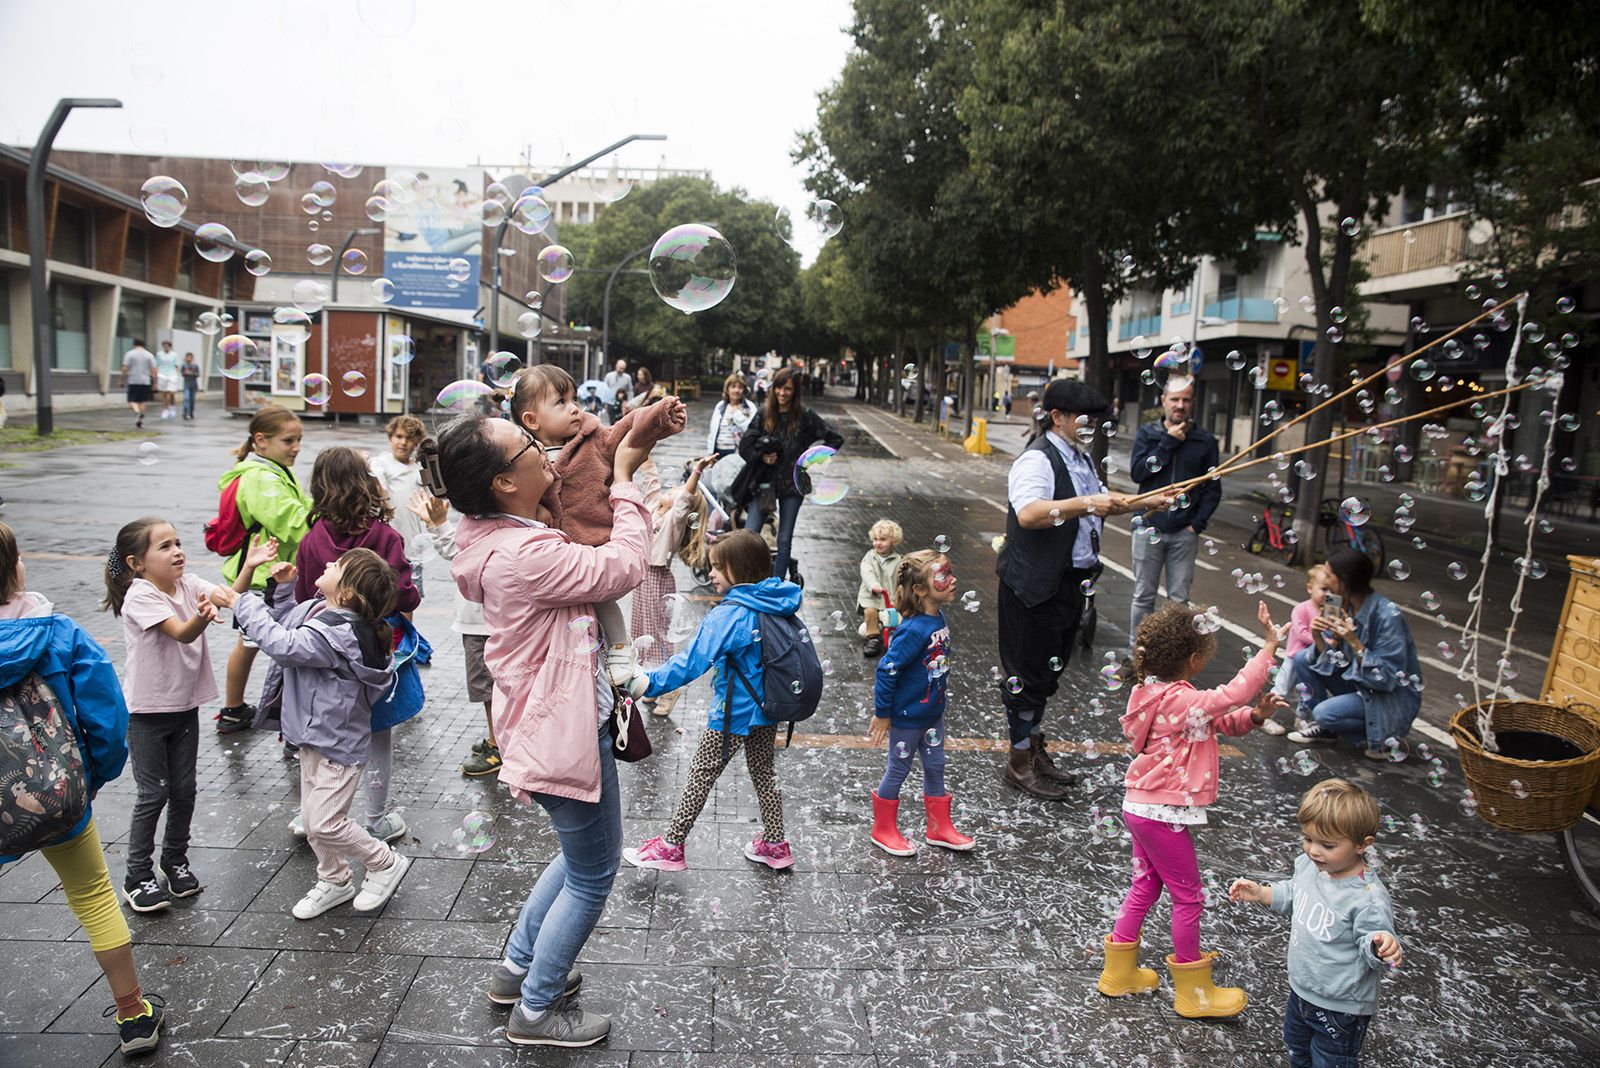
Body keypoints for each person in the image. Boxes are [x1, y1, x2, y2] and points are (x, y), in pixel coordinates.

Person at [424, 411, 653, 1048]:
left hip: (544, 720)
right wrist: (627, 480)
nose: (542, 449)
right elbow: (624, 566)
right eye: (528, 445)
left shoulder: (491, 536)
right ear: (503, 482)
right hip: (564, 728)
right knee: (594, 872)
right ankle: (537, 1009)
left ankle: (516, 971)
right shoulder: (528, 554)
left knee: (580, 856)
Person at [0, 523, 169, 1055]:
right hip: (58, 796)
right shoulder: (56, 632)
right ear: (13, 569)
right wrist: (90, 778)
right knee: (94, 894)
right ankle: (133, 1015)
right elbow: (106, 715)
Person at [1096, 599, 1286, 1018]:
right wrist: (1268, 648)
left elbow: (1220, 721)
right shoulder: (1180, 700)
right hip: (1162, 812)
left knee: (1146, 884)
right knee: (1188, 897)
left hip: (1142, 806)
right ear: (1195, 659)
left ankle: (1119, 973)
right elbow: (1230, 694)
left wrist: (1255, 715)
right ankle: (1193, 993)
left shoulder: (1154, 695)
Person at [216, 543, 409, 919]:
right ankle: (335, 880)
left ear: (348, 592)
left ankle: (384, 861)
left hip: (336, 745)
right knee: (312, 820)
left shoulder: (338, 634)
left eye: (337, 564)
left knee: (324, 822)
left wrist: (242, 602)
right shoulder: (325, 611)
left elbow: (283, 644)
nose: (328, 561)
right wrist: (285, 589)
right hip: (314, 737)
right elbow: (289, 623)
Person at [995, 379, 1164, 798]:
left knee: (1047, 676)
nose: (1094, 427)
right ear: (1058, 417)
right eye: (1085, 420)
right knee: (1026, 676)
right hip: (1034, 586)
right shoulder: (1037, 460)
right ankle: (1018, 762)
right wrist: (1088, 503)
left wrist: (1151, 499)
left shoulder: (1081, 459)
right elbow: (1031, 513)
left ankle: (1033, 750)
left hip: (1069, 583)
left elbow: (1102, 500)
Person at [621, 531, 802, 874]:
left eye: (718, 567)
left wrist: (650, 681)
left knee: (700, 775)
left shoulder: (731, 614)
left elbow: (693, 661)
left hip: (733, 712)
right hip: (769, 707)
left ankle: (672, 846)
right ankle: (776, 845)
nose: (712, 574)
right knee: (765, 773)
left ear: (740, 569)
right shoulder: (777, 600)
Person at [508, 364, 685, 689]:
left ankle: (621, 650)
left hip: (592, 542)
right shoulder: (520, 456)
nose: (574, 407)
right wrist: (538, 507)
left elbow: (629, 427)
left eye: (573, 399)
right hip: (550, 553)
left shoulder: (593, 440)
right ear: (532, 420)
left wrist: (660, 415)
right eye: (560, 402)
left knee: (603, 602)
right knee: (565, 620)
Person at [289, 446, 422, 841]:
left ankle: (309, 813)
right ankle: (375, 819)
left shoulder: (312, 540)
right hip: (375, 652)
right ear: (366, 484)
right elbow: (406, 596)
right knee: (378, 734)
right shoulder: (384, 535)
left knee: (321, 735)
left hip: (326, 653)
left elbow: (302, 597)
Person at [101, 517, 228, 913]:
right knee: (153, 792)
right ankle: (137, 877)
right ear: (136, 563)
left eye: (178, 542)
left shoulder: (188, 584)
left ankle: (175, 862)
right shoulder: (140, 596)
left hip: (182, 707)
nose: (177, 551)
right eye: (165, 546)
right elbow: (182, 632)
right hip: (146, 714)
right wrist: (203, 616)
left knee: (185, 789)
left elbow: (223, 594)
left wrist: (251, 568)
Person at [1229, 779, 1403, 1066]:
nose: (1314, 850)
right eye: (1308, 839)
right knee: (1298, 1051)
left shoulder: (1367, 897)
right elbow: (1294, 894)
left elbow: (1373, 939)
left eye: (1327, 844)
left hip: (1342, 1007)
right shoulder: (1309, 866)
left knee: (1330, 1061)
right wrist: (1261, 893)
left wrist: (1380, 945)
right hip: (1301, 991)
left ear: (1362, 845)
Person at [868, 549, 973, 856]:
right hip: (907, 716)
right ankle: (883, 829)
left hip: (932, 713)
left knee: (936, 766)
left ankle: (939, 828)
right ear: (920, 589)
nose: (952, 580)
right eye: (943, 575)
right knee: (898, 769)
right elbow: (886, 671)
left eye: (950, 573)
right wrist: (883, 714)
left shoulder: (937, 618)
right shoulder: (913, 629)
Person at [215, 405, 312, 733]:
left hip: (268, 573)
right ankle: (237, 710)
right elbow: (295, 523)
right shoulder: (259, 478)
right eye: (288, 440)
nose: (296, 447)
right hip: (263, 577)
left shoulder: (272, 469)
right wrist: (331, 521)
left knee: (250, 642)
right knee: (256, 643)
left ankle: (234, 708)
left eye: (299, 440)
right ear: (261, 440)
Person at [1286, 548, 1422, 759]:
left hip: (1386, 696)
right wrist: (1319, 636)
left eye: (1330, 575)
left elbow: (1385, 679)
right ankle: (1326, 729)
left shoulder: (1387, 616)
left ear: (1345, 581)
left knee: (1324, 713)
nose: (1326, 580)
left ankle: (1384, 736)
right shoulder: (1340, 604)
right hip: (1360, 683)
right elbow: (1332, 660)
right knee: (1303, 658)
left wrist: (1354, 642)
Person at [409, 490, 501, 777]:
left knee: (490, 688)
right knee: (492, 686)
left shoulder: (491, 519)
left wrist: (439, 524)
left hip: (481, 622)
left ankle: (498, 745)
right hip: (481, 619)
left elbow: (461, 553)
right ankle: (499, 737)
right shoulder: (486, 514)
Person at [1127, 376, 1221, 637]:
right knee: (1143, 596)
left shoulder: (1205, 441)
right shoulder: (1148, 434)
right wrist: (1167, 442)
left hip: (1183, 532)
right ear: (1163, 401)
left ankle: (1172, 662)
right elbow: (1138, 473)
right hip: (1148, 526)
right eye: (1175, 399)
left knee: (1178, 602)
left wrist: (1195, 525)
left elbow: (1213, 489)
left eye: (1185, 399)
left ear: (1193, 403)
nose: (1180, 405)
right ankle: (1136, 656)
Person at [734, 366, 844, 586]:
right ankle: (745, 581)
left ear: (795, 392)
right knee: (750, 535)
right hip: (764, 482)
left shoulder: (805, 415)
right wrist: (762, 457)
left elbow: (835, 438)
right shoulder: (764, 413)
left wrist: (811, 460)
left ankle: (776, 585)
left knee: (784, 539)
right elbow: (745, 446)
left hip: (793, 483)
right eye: (779, 388)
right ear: (773, 389)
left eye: (788, 389)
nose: (782, 393)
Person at [630, 454, 717, 717]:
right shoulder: (655, 508)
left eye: (676, 491)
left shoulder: (675, 521)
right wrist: (643, 450)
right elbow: (651, 480)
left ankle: (670, 690)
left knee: (659, 637)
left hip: (657, 579)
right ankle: (654, 685)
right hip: (642, 579)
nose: (671, 492)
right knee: (642, 633)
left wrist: (698, 470)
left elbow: (684, 500)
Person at [1262, 564, 1332, 736]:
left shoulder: (1331, 609)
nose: (1329, 594)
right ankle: (1265, 716)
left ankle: (1302, 718)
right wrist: (1322, 639)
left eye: (1332, 590)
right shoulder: (1301, 609)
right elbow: (1302, 634)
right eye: (1324, 589)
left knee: (1307, 692)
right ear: (1310, 588)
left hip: (1315, 660)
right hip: (1294, 658)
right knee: (1282, 688)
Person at [369, 415, 428, 586]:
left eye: (409, 438)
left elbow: (437, 495)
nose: (403, 443)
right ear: (390, 438)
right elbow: (381, 488)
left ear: (417, 442)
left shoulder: (420, 468)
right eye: (399, 437)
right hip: (387, 541)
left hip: (413, 545)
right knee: (383, 590)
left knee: (410, 594)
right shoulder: (381, 463)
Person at [857, 518, 903, 657]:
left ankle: (895, 635)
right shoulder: (870, 557)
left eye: (883, 539)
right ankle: (873, 637)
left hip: (890, 597)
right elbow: (866, 572)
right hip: (872, 595)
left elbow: (901, 578)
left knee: (894, 616)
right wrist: (874, 585)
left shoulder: (898, 560)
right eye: (875, 539)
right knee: (870, 612)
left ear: (893, 541)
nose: (878, 543)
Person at [706, 373, 758, 457]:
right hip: (719, 451)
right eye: (733, 387)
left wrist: (737, 415)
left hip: (738, 453)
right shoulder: (720, 406)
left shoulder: (749, 407)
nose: (736, 390)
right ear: (727, 389)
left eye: (740, 387)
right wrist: (710, 452)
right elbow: (712, 430)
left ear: (743, 390)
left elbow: (752, 431)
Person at [120, 338, 157, 429]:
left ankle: (137, 412)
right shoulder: (149, 355)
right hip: (145, 381)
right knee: (142, 401)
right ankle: (140, 420)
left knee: (132, 401)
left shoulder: (129, 354)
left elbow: (125, 368)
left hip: (133, 380)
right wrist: (155, 382)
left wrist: (122, 379)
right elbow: (153, 370)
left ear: (134, 344)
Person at [154, 340, 181, 421]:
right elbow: (157, 364)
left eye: (167, 345)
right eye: (164, 345)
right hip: (162, 374)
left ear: (170, 346)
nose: (165, 347)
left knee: (171, 393)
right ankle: (165, 409)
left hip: (172, 374)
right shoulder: (159, 354)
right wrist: (156, 375)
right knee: (164, 393)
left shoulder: (174, 355)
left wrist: (176, 375)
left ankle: (172, 407)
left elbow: (176, 366)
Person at [180, 352, 201, 420]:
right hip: (186, 384)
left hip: (193, 384)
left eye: (190, 357)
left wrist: (191, 373)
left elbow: (197, 375)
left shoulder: (195, 366)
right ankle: (185, 413)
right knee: (186, 398)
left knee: (192, 400)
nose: (188, 359)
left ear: (192, 358)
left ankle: (191, 412)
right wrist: (185, 372)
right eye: (187, 357)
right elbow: (182, 374)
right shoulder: (184, 366)